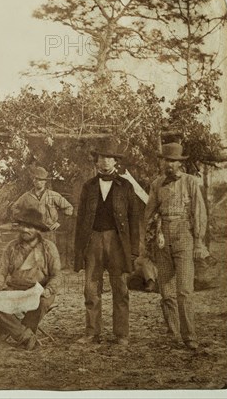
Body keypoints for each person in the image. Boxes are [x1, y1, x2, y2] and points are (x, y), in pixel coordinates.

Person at [73, 139, 139, 346]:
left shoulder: (126, 186)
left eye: (109, 158)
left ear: (115, 162)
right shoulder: (89, 186)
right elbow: (81, 219)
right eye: (101, 158)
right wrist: (79, 249)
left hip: (118, 243)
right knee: (91, 289)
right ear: (97, 161)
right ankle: (92, 332)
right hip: (93, 240)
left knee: (120, 288)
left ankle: (121, 334)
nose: (105, 162)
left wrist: (134, 250)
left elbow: (134, 221)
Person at [144, 143, 207, 350]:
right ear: (162, 162)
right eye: (166, 160)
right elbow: (149, 213)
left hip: (184, 236)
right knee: (167, 291)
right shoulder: (156, 184)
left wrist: (198, 241)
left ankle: (190, 336)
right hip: (163, 239)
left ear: (180, 163)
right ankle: (173, 333)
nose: (169, 165)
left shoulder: (190, 182)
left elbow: (198, 213)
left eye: (173, 161)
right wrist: (151, 235)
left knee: (185, 290)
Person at [0, 208, 61, 351]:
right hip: (15, 289)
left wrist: (49, 289)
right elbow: (1, 271)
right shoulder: (11, 247)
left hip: (39, 290)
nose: (25, 230)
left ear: (38, 229)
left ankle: (18, 332)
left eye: (30, 227)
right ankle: (24, 335)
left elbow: (57, 275)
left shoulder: (48, 248)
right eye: (22, 226)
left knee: (42, 303)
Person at [11, 165, 73, 241]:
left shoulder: (53, 195)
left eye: (41, 180)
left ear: (45, 181)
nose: (38, 182)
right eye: (36, 179)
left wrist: (58, 222)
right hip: (32, 234)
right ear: (33, 180)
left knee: (49, 251)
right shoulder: (26, 197)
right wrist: (25, 220)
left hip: (49, 232)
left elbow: (69, 209)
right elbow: (14, 208)